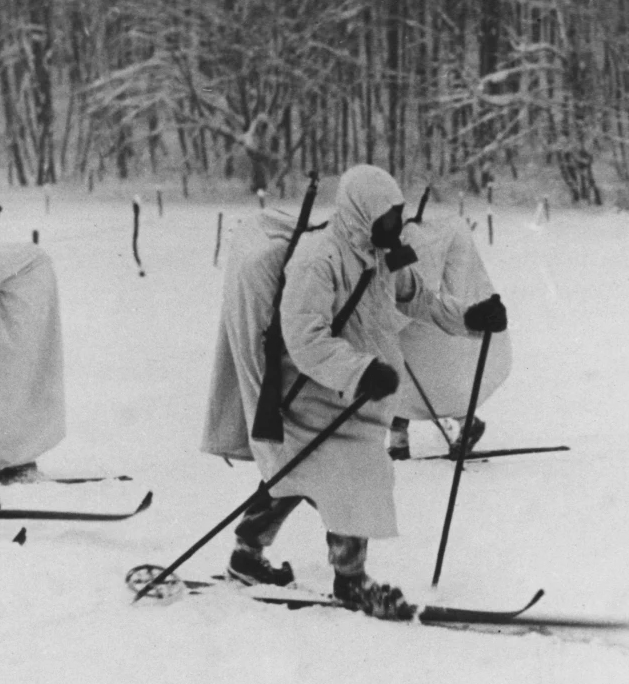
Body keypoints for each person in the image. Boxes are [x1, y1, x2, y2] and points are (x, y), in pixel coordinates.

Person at [201, 165, 508, 618]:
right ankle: (351, 581)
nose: (396, 225)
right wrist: (360, 371)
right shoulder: (318, 259)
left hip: (350, 390)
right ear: (363, 213)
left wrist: (469, 318)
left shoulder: (380, 254)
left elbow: (417, 297)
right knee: (353, 473)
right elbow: (306, 340)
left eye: (398, 215)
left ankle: (246, 556)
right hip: (310, 390)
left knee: (294, 473)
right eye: (388, 217)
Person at [386, 208, 512, 460]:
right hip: (430, 314)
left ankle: (460, 427)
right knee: (408, 369)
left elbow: (419, 287)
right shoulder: (435, 232)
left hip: (435, 315)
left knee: (418, 369)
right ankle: (407, 435)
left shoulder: (422, 236)